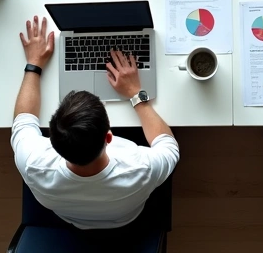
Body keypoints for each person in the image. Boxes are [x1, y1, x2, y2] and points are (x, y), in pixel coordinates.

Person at [10, 16, 179, 229]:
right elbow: (170, 147)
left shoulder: (32, 162)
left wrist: (33, 63)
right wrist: (136, 95)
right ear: (109, 137)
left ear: (52, 141)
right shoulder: (141, 168)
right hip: (126, 218)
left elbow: (22, 121)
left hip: (72, 218)